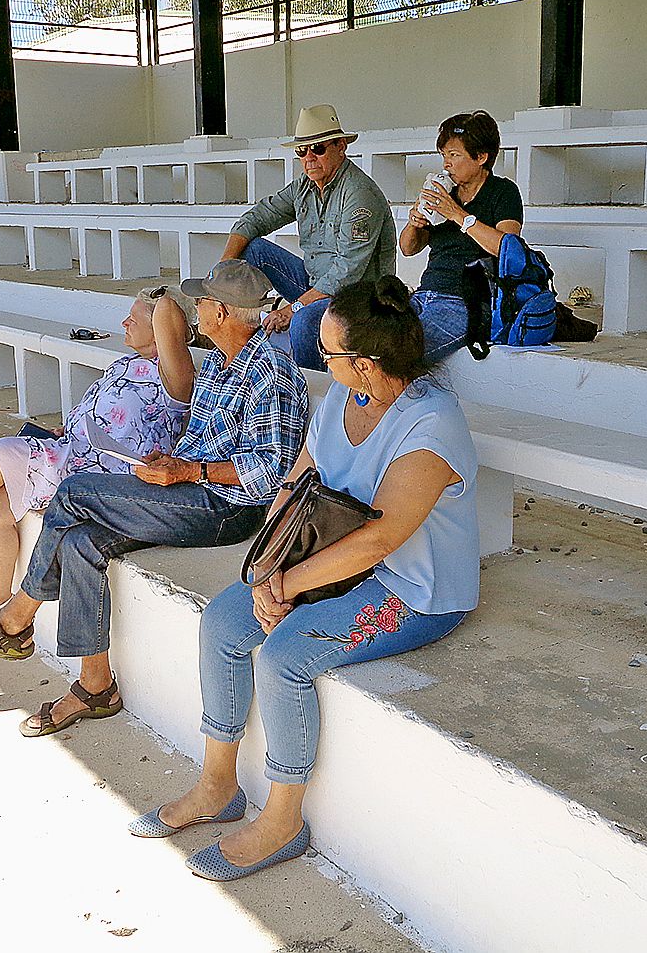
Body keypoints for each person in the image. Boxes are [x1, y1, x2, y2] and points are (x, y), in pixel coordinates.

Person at [133, 276, 478, 882]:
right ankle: (217, 786)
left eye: (329, 353)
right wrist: (270, 571)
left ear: (366, 365)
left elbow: (383, 537)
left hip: (412, 587)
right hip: (335, 559)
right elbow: (294, 487)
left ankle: (283, 818)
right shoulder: (343, 400)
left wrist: (288, 591)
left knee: (284, 655)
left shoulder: (431, 423)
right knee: (222, 622)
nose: (319, 360)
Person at [0, 260, 309, 740]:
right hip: (188, 486)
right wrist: (170, 461)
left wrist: (188, 471)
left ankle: (16, 618)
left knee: (72, 492)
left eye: (205, 302)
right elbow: (201, 437)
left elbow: (271, 474)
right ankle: (95, 687)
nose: (199, 309)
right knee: (79, 543)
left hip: (228, 507)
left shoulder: (274, 375)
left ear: (223, 313)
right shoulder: (217, 362)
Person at [0, 288, 195, 609]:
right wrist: (71, 426)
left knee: (1, 451)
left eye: (135, 319)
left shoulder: (175, 377)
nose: (124, 322)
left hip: (110, 475)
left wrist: (165, 301)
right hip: (75, 452)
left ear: (163, 330)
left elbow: (167, 309)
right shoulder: (123, 365)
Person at [221, 104, 396, 370]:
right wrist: (222, 268)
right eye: (302, 151)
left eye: (318, 148)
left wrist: (293, 309)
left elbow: (346, 273)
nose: (309, 157)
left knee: (303, 320)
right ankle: (240, 350)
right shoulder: (304, 185)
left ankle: (310, 385)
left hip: (358, 297)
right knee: (252, 250)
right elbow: (258, 217)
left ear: (341, 146)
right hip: (315, 283)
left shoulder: (359, 194)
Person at [401, 110, 524, 361]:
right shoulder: (447, 191)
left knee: (404, 353)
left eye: (454, 155)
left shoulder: (503, 192)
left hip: (468, 301)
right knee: (371, 336)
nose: (447, 163)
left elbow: (508, 249)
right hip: (426, 292)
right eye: (444, 155)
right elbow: (407, 248)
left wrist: (458, 215)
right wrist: (415, 222)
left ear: (480, 157)